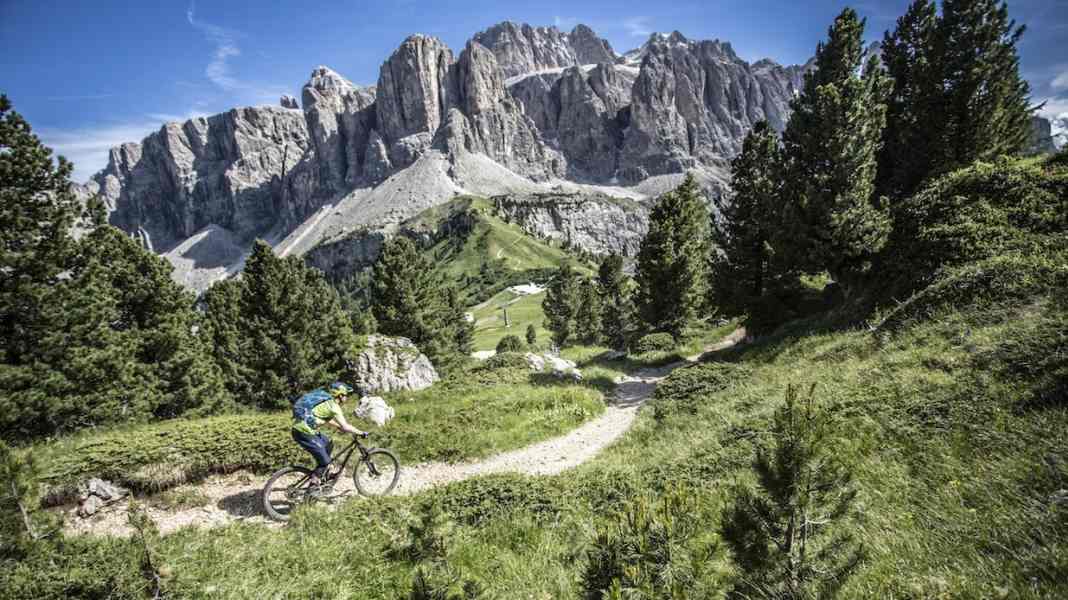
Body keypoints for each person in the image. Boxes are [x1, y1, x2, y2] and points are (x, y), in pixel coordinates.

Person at [291, 382, 366, 490]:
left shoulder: (326, 402)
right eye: (346, 395)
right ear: (340, 395)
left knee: (328, 443)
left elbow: (324, 417)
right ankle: (312, 490)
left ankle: (322, 471)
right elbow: (345, 426)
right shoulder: (334, 407)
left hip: (303, 430)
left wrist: (337, 426)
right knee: (326, 461)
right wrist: (361, 432)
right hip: (304, 432)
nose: (347, 398)